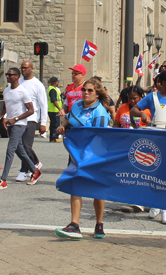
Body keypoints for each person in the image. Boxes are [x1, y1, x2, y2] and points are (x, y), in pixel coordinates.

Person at [130, 69, 166, 224]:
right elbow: (134, 109)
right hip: (155, 137)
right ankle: (156, 203)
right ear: (162, 83)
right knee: (154, 171)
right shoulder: (152, 97)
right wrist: (141, 114)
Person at [55, 79, 112, 239]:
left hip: (94, 155)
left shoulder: (100, 113)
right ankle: (74, 225)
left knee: (97, 189)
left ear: (97, 93)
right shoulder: (77, 105)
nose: (85, 93)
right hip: (75, 153)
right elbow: (69, 117)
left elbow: (100, 137)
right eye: (84, 90)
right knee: (75, 185)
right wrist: (63, 127)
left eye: (90, 91)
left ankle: (99, 224)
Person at [0, 68, 42, 190]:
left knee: (10, 149)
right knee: (20, 150)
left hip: (20, 124)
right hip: (10, 123)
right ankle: (35, 171)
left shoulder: (23, 91)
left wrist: (16, 118)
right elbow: (5, 107)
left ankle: (3, 180)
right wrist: (0, 116)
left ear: (17, 76)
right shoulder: (6, 91)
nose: (8, 76)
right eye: (7, 74)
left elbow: (31, 110)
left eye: (11, 75)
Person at [15, 60, 47, 182]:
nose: (23, 70)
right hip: (18, 118)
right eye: (22, 68)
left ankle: (23, 171)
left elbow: (43, 105)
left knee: (26, 145)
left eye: (26, 68)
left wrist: (43, 123)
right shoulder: (19, 82)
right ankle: (35, 162)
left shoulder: (37, 85)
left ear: (32, 68)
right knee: (18, 145)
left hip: (31, 118)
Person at [47, 77, 63, 143]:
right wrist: (60, 109)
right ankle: (53, 138)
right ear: (55, 82)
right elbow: (54, 100)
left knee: (55, 124)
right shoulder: (52, 90)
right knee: (55, 124)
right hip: (53, 110)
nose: (58, 83)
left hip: (53, 110)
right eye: (57, 82)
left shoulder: (53, 89)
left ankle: (54, 137)